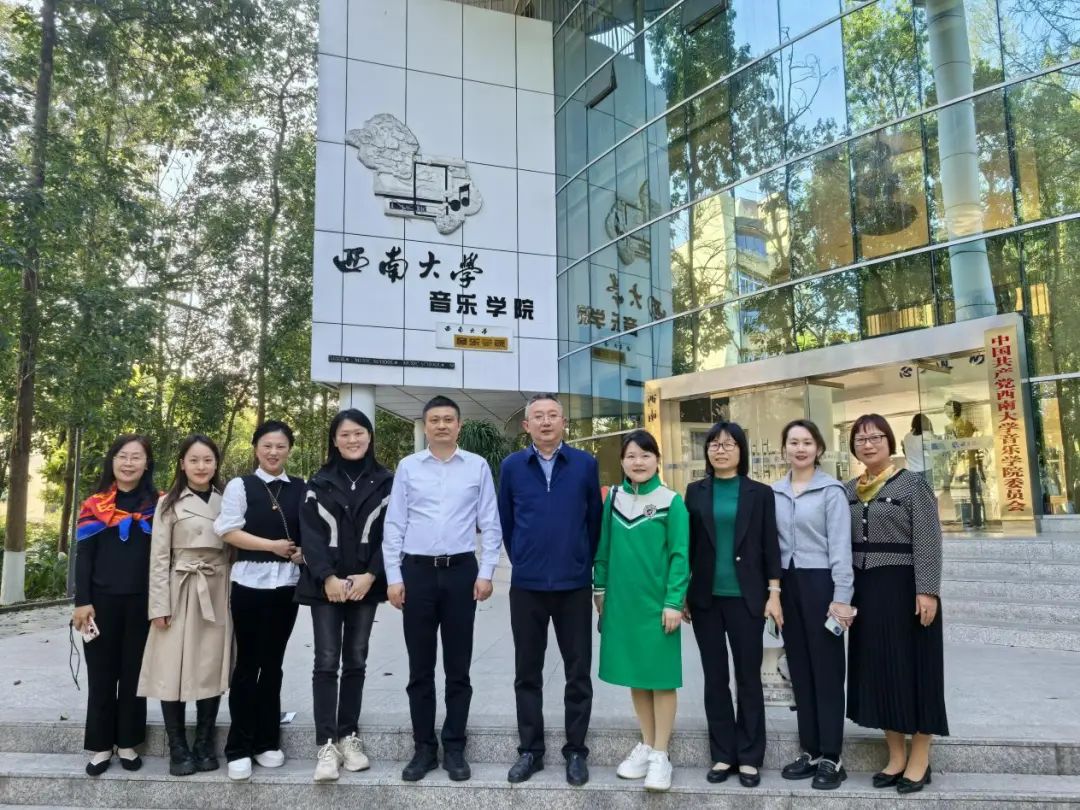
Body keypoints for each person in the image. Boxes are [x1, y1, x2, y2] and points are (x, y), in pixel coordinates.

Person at [383, 395, 502, 783]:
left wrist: (486, 572)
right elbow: (394, 524)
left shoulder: (477, 466)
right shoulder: (408, 467)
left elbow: (490, 523)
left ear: (459, 425)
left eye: (448, 419)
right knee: (420, 668)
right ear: (425, 425)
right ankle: (423, 748)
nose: (441, 426)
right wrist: (394, 577)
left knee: (458, 667)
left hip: (461, 573)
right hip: (416, 573)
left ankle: (454, 746)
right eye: (434, 420)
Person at [498, 394, 602, 787]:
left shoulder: (584, 465)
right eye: (538, 416)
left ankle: (576, 751)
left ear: (564, 423)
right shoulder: (512, 466)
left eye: (553, 415)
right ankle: (531, 751)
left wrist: (580, 561)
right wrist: (524, 560)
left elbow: (594, 521)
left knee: (578, 672)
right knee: (527, 672)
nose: (545, 422)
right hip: (527, 587)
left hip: (573, 585)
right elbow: (507, 521)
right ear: (526, 425)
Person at [846, 414, 948, 794]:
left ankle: (920, 758)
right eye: (861, 439)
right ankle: (896, 756)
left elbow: (928, 539)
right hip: (866, 590)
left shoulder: (913, 485)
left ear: (890, 442)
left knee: (916, 669)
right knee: (881, 671)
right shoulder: (848, 491)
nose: (868, 444)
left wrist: (928, 590)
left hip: (907, 590)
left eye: (876, 437)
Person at [683, 421, 782, 788]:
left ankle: (751, 756)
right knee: (715, 679)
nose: (720, 450)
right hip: (705, 599)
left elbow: (770, 545)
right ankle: (723, 754)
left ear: (741, 451)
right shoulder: (694, 491)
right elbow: (687, 545)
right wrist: (682, 593)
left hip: (747, 598)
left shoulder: (760, 493)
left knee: (748, 677)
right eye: (714, 444)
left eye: (728, 444)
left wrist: (774, 593)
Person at [296, 409, 393, 783]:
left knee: (356, 659)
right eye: (345, 435)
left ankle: (349, 736)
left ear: (369, 437)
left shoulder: (387, 481)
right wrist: (327, 577)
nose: (353, 440)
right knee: (325, 660)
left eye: (359, 433)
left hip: (365, 585)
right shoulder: (318, 482)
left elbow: (393, 532)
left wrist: (372, 575)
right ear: (334, 441)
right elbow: (310, 536)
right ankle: (326, 744)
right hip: (327, 587)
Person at [594, 429, 689, 793]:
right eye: (631, 456)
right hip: (623, 604)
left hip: (658, 606)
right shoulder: (614, 499)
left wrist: (674, 602)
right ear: (622, 462)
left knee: (661, 678)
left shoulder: (671, 501)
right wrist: (599, 589)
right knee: (637, 675)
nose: (638, 462)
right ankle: (647, 744)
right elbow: (603, 548)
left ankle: (662, 753)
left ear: (657, 460)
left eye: (645, 455)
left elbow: (680, 555)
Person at [214, 420, 305, 780]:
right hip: (249, 582)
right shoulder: (241, 486)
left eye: (280, 446)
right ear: (256, 448)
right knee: (248, 664)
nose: (273, 452)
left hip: (287, 585)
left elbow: (311, 532)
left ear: (289, 450)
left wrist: (301, 554)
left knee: (274, 664)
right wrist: (272, 547)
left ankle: (268, 741)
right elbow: (228, 530)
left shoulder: (301, 488)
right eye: (267, 445)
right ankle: (239, 746)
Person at [137, 435, 230, 776]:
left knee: (210, 665)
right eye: (194, 460)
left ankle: (204, 743)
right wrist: (158, 606)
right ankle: (177, 747)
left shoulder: (228, 500)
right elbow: (158, 558)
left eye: (207, 460)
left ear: (216, 464)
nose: (201, 466)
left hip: (217, 589)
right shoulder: (168, 504)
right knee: (171, 666)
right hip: (179, 588)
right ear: (182, 464)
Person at [771, 420, 854, 790]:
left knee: (827, 671)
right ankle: (811, 751)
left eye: (807, 442)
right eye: (793, 442)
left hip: (822, 584)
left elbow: (841, 548)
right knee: (800, 670)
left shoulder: (831, 491)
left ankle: (833, 756)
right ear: (784, 449)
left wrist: (842, 599)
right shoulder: (774, 492)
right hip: (788, 585)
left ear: (818, 448)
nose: (800, 449)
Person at [71, 434, 158, 776]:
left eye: (136, 457)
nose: (128, 463)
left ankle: (129, 743)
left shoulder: (159, 505)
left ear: (146, 464)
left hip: (144, 604)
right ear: (113, 460)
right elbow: (84, 556)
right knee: (102, 676)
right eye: (122, 456)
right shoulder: (95, 505)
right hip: (100, 606)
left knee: (135, 675)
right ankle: (101, 745)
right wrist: (82, 601)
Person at [902, 414, 933, 484]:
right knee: (928, 490)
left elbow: (907, 453)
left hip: (912, 472)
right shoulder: (927, 435)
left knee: (917, 491)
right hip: (926, 470)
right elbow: (933, 453)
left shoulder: (907, 436)